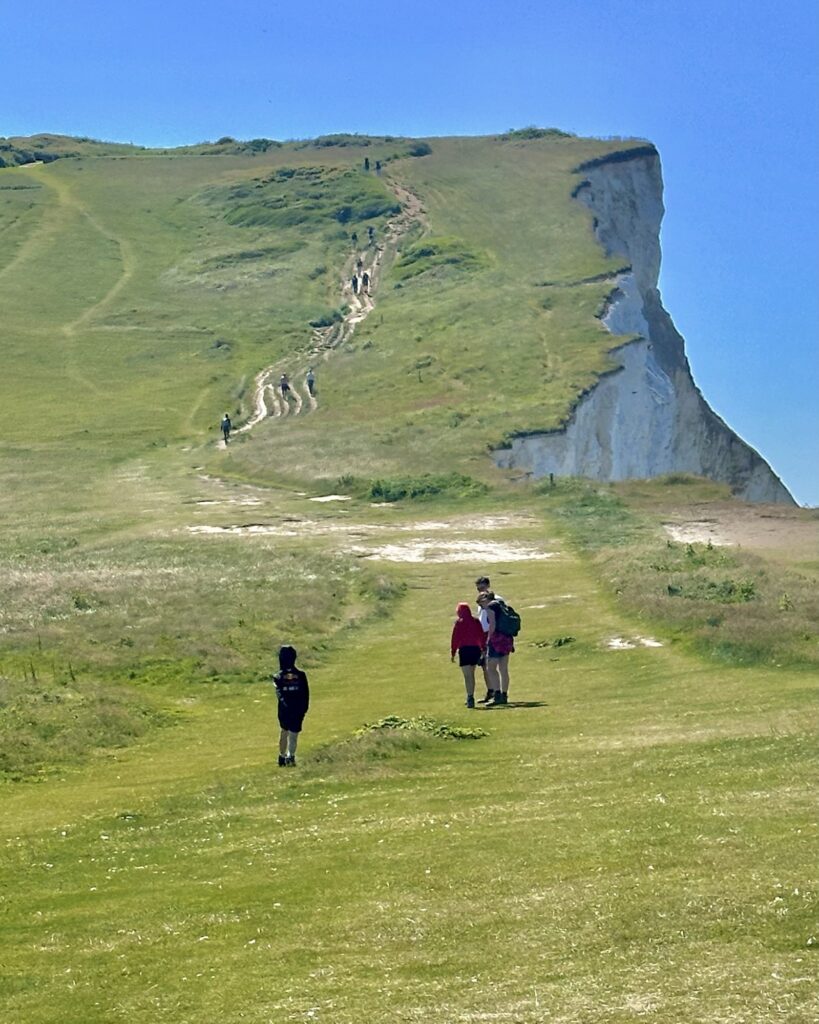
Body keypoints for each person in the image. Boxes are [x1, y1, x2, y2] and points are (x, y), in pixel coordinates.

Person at [273, 645, 310, 767]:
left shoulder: (278, 677)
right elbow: (306, 693)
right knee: (294, 734)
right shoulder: (301, 675)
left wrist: (286, 705)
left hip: (285, 710)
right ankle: (291, 756)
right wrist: (304, 708)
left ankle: (282, 756)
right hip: (298, 709)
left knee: (284, 731)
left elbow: (279, 694)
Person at [477, 590, 514, 706]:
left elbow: (492, 624)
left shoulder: (490, 607)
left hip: (496, 639)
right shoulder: (501, 605)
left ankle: (497, 695)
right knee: (504, 669)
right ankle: (504, 695)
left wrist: (488, 639)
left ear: (485, 600)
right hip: (507, 639)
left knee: (491, 668)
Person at [475, 575, 504, 704]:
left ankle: (497, 692)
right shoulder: (481, 601)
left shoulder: (495, 600)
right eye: (478, 589)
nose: (481, 591)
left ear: (488, 586)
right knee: (484, 666)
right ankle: (491, 690)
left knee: (493, 666)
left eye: (482, 587)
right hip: (483, 634)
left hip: (493, 635)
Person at [450, 602, 485, 708]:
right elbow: (481, 635)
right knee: (472, 675)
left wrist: (453, 652)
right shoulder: (475, 621)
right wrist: (483, 649)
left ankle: (469, 696)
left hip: (464, 650)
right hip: (475, 649)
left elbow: (455, 638)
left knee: (467, 676)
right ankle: (471, 696)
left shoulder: (459, 623)